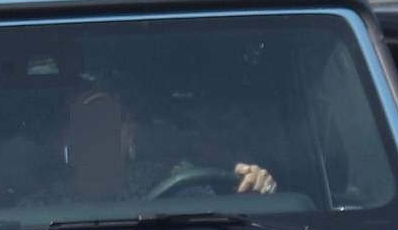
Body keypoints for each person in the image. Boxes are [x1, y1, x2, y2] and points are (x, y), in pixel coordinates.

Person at [59, 85, 276, 202]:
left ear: (129, 134)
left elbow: (219, 228)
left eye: (108, 122)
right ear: (68, 140)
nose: (98, 135)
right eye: (87, 125)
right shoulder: (39, 211)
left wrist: (253, 191)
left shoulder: (175, 182)